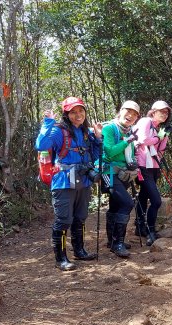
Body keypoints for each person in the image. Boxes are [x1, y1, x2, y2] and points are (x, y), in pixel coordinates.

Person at [35, 96, 102, 271]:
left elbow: (95, 156)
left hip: (84, 179)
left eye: (81, 110)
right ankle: (61, 258)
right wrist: (48, 122)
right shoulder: (59, 131)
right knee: (64, 219)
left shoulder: (86, 132)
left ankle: (79, 250)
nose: (78, 114)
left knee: (80, 217)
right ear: (66, 114)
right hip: (64, 181)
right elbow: (41, 145)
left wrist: (98, 137)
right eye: (73, 112)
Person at [101, 100, 141, 258]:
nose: (130, 115)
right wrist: (127, 142)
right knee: (127, 203)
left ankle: (113, 241)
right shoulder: (110, 128)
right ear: (121, 111)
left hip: (123, 173)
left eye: (134, 114)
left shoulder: (129, 130)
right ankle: (118, 243)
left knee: (116, 205)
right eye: (128, 111)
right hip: (109, 172)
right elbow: (109, 152)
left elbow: (127, 154)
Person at [133, 100, 172, 246]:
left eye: (166, 112)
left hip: (154, 166)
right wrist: (158, 138)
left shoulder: (159, 128)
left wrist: (165, 137)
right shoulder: (145, 121)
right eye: (161, 111)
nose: (164, 114)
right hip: (142, 165)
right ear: (153, 111)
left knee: (143, 195)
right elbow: (143, 139)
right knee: (156, 201)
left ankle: (139, 227)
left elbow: (161, 149)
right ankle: (150, 230)